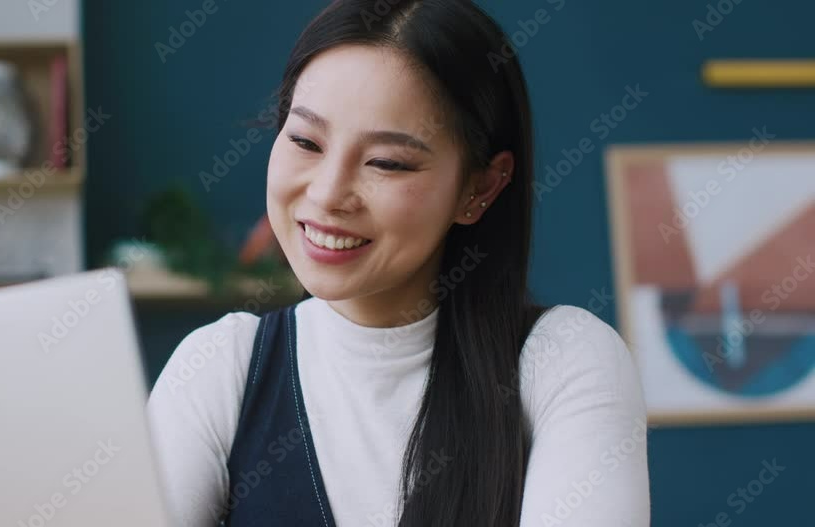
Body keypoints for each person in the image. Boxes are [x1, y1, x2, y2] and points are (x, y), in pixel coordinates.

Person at [146, 0, 650, 525]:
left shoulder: (561, 362)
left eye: (385, 162)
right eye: (304, 140)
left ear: (479, 188)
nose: (327, 194)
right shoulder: (218, 368)